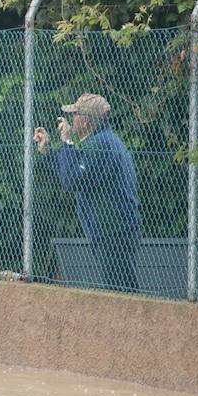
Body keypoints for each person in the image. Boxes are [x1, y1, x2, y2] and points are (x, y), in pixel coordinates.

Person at [34, 93, 142, 292]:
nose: (71, 118)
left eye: (75, 114)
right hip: (114, 230)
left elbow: (71, 179)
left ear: (86, 122)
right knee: (121, 290)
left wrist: (67, 141)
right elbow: (71, 169)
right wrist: (48, 151)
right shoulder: (101, 141)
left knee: (122, 293)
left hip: (114, 232)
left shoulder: (100, 145)